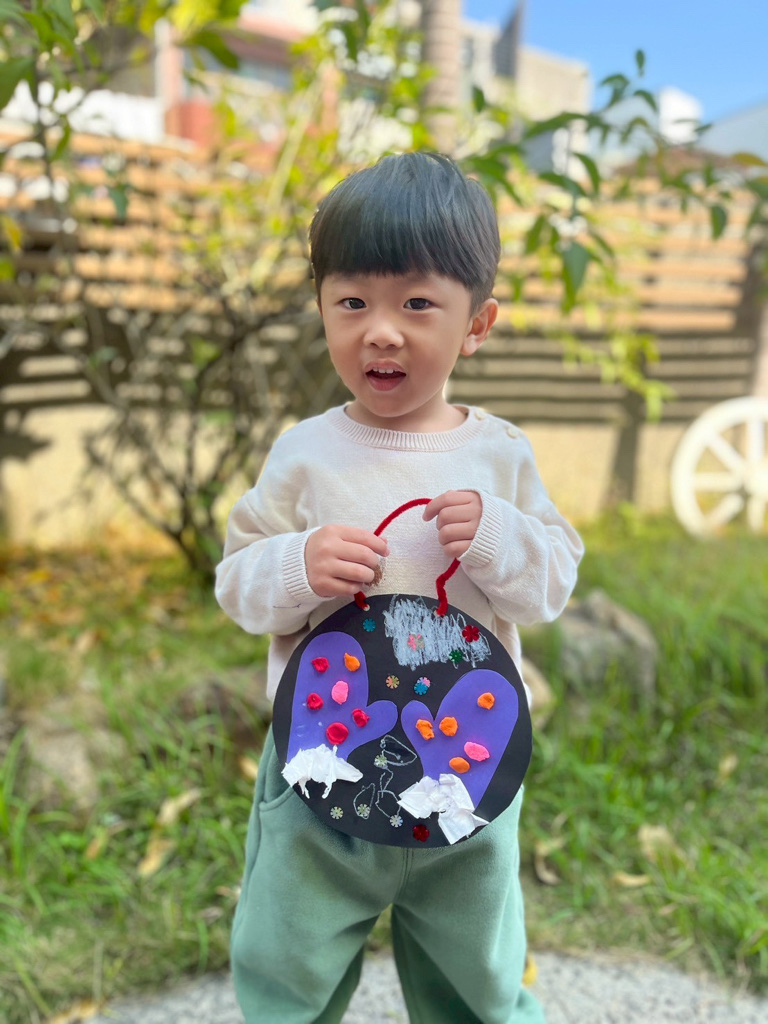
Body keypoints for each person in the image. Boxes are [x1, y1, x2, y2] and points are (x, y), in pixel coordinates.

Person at [215, 151, 584, 1024]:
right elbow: (237, 581)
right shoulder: (306, 453)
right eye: (352, 303)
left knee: (479, 966)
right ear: (321, 310)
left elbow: (551, 584)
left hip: (469, 770)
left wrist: (498, 535)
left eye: (416, 304)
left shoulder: (500, 453)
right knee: (286, 953)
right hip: (321, 761)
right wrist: (296, 564)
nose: (380, 331)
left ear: (477, 323)